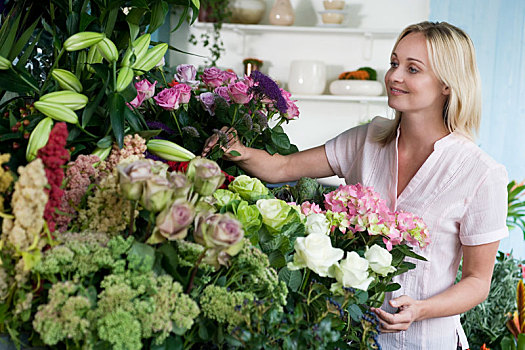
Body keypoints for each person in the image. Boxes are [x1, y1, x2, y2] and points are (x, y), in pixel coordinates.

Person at [202, 21, 508, 349]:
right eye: (394, 63)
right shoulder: (368, 139)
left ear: (448, 84)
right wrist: (236, 149)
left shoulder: (480, 173)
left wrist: (419, 310)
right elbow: (282, 167)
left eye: (412, 69)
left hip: (426, 341)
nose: (394, 76)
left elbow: (478, 282)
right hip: (350, 335)